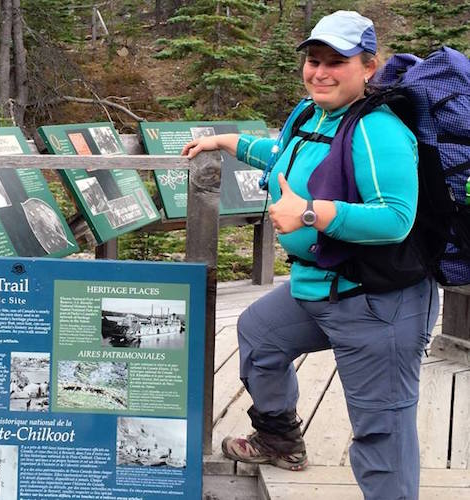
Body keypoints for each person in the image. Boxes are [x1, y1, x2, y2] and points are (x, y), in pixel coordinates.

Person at [182, 10, 438, 500]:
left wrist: (309, 215)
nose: (319, 71)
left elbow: (396, 218)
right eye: (313, 60)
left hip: (378, 303)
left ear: (368, 66)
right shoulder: (312, 114)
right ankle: (280, 439)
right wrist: (222, 141)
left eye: (335, 62)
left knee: (380, 427)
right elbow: (280, 151)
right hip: (321, 286)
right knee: (259, 335)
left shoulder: (377, 129)